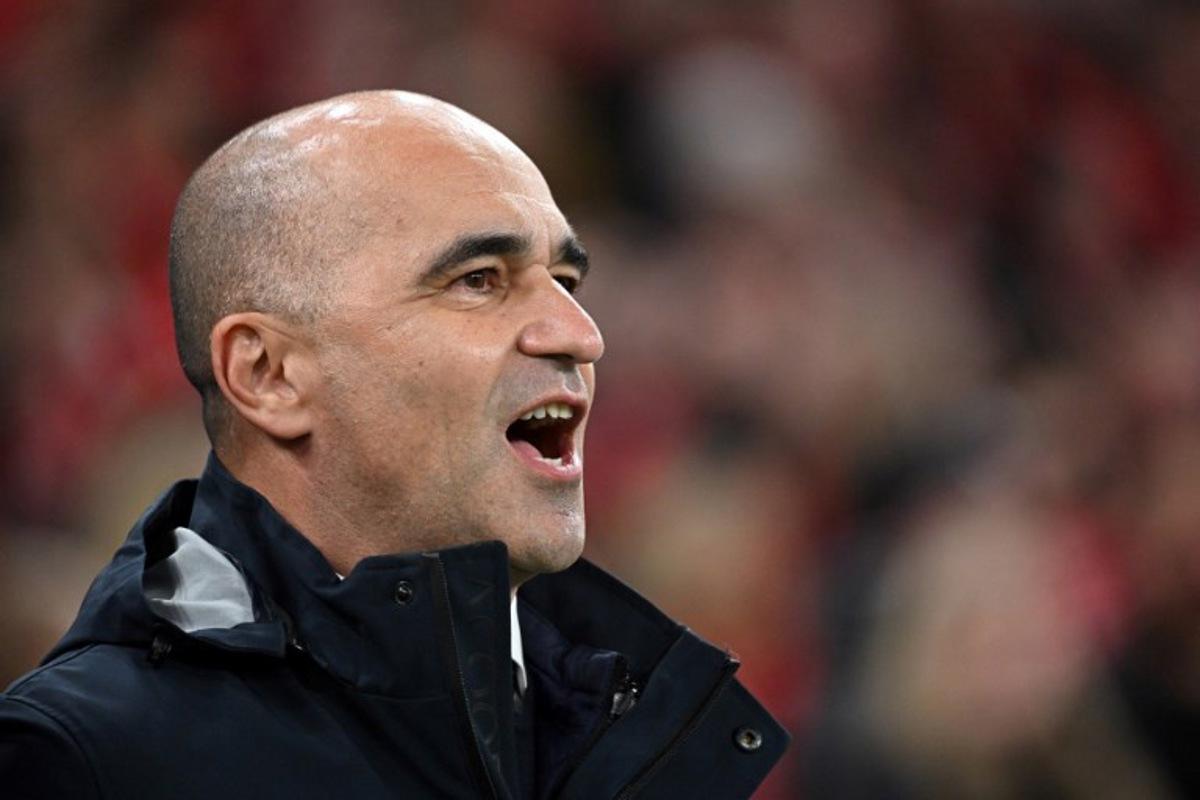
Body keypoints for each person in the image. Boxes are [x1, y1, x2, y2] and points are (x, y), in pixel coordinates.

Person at [0, 91, 787, 799]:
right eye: (479, 279)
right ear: (269, 374)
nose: (581, 335)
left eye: (566, 282)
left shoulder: (620, 728)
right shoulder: (86, 763)